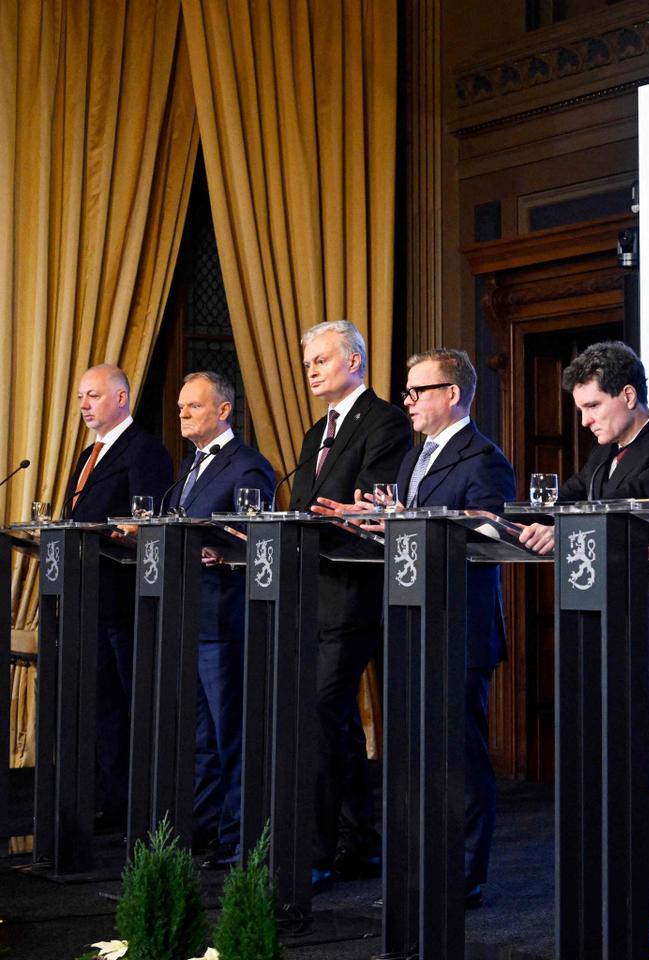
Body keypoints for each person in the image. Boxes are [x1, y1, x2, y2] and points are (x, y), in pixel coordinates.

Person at [517, 340, 649, 957]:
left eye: (593, 406)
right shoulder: (602, 456)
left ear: (628, 395)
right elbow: (568, 497)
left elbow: (630, 509)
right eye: (580, 409)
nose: (585, 421)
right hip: (607, 628)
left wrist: (565, 522)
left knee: (631, 767)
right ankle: (644, 901)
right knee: (617, 770)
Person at [316, 348, 515, 909]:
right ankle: (422, 870)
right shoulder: (414, 456)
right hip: (410, 623)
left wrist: (406, 525)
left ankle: (463, 877)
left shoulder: (484, 459)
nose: (407, 401)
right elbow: (409, 533)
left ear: (452, 394)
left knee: (459, 760)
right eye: (406, 392)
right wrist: (372, 523)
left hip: (458, 627)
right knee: (416, 760)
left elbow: (491, 539)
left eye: (417, 391)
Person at [288, 319, 412, 890]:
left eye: (321, 360)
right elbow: (306, 506)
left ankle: (315, 852)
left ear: (354, 361)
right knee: (329, 720)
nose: (311, 371)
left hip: (355, 594)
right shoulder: (318, 431)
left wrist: (338, 515)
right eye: (308, 363)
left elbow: (368, 506)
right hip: (312, 592)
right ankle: (360, 839)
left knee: (320, 713)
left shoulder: (385, 421)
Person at [166, 371, 276, 866]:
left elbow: (259, 539)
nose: (183, 413)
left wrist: (225, 550)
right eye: (181, 407)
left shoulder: (248, 467)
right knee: (201, 738)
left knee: (232, 733)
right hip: (190, 617)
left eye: (193, 405)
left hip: (227, 623)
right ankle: (204, 829)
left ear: (224, 410)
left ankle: (238, 835)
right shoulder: (189, 468)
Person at [63, 363, 172, 829]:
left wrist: (120, 532)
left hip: (124, 600)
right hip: (86, 596)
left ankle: (135, 803)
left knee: (126, 703)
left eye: (93, 396)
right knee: (99, 705)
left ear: (121, 398)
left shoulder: (144, 450)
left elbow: (147, 523)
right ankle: (108, 798)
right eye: (81, 397)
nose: (84, 405)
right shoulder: (89, 454)